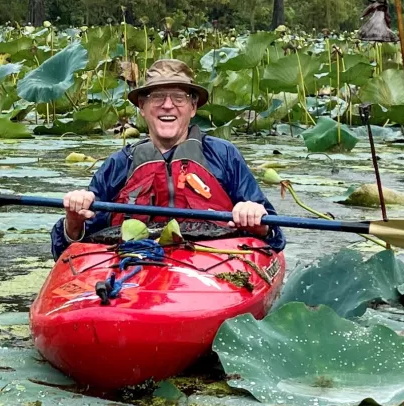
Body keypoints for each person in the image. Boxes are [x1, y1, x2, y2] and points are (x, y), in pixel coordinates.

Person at [50, 58, 286, 260]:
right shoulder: (119, 164)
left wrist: (257, 219)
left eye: (179, 98)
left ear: (193, 107)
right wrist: (73, 221)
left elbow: (275, 238)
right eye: (157, 97)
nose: (167, 105)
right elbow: (65, 250)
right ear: (142, 107)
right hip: (135, 263)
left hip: (213, 264)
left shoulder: (224, 156)